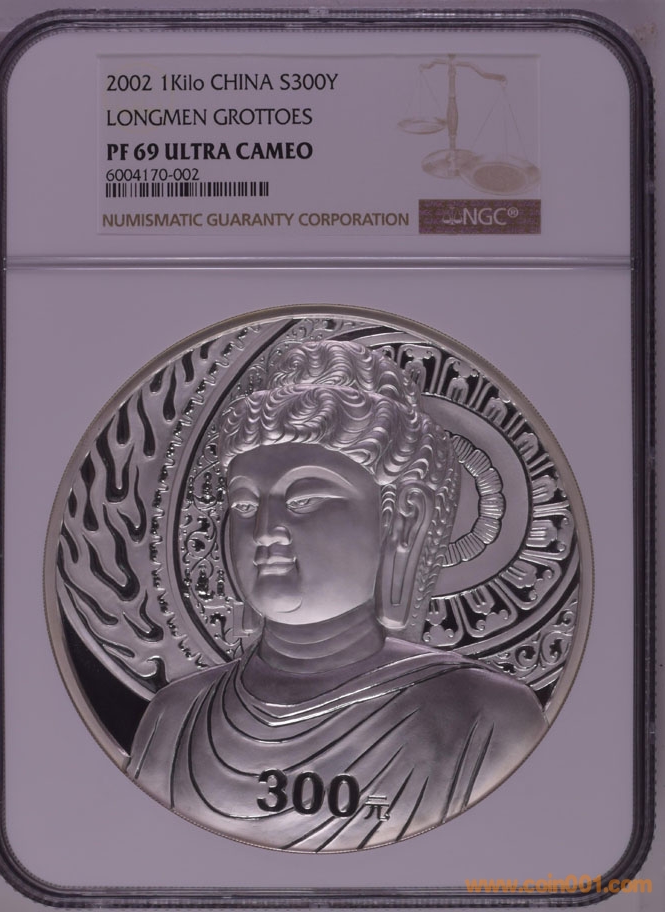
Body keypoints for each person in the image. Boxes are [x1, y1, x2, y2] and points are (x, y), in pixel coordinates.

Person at [128, 340, 546, 851]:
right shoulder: (175, 715)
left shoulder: (485, 713)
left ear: (399, 519)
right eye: (244, 505)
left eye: (304, 499)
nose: (265, 530)